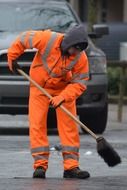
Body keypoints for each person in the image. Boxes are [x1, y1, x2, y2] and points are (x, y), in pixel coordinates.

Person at [8, 25, 90, 179]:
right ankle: (40, 166)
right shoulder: (47, 39)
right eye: (75, 49)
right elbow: (24, 38)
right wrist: (12, 56)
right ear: (68, 43)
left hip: (64, 90)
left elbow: (80, 83)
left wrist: (63, 97)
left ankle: (71, 167)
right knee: (37, 123)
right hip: (39, 87)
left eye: (79, 50)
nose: (76, 53)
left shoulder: (81, 57)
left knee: (69, 125)